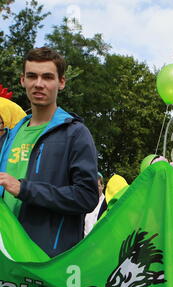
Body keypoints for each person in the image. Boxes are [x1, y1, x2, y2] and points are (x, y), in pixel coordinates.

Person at [0, 47, 99, 258]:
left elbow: (87, 197)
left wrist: (25, 189)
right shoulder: (8, 136)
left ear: (61, 82)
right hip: (5, 259)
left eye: (47, 77)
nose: (39, 83)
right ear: (22, 81)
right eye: (32, 76)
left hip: (45, 262)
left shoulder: (75, 133)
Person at [84, 172, 107, 236]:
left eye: (98, 186)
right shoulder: (85, 202)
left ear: (102, 186)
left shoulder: (106, 204)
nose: (95, 189)